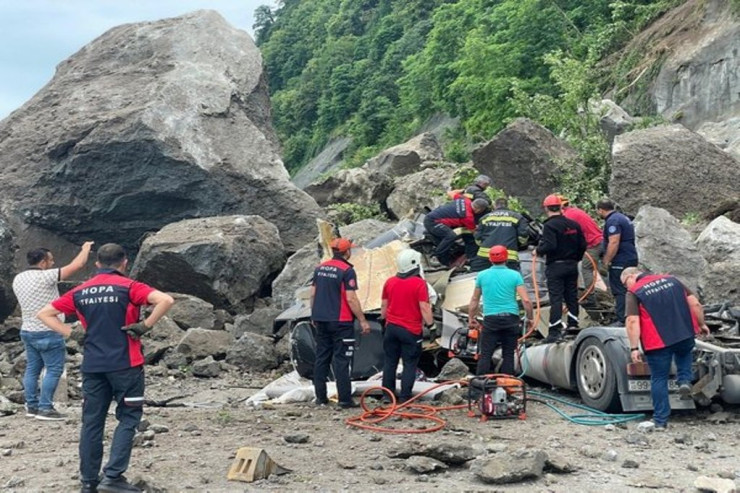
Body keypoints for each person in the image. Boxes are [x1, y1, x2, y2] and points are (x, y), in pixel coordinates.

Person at [38, 243, 174, 493]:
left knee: (92, 422)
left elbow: (45, 313)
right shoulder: (130, 286)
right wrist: (145, 325)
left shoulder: (80, 291)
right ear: (124, 263)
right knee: (128, 417)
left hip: (93, 365)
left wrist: (72, 333)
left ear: (97, 264)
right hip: (126, 364)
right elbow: (165, 300)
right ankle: (112, 477)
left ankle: (88, 481)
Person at [12, 241, 94, 421]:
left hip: (27, 330)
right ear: (42, 262)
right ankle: (45, 408)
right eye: (50, 261)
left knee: (33, 369)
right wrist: (85, 248)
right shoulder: (46, 276)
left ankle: (31, 406)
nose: (52, 263)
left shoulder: (18, 278)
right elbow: (77, 265)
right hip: (48, 330)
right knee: (54, 369)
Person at [621, 267, 709, 429]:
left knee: (659, 378)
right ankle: (684, 380)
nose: (626, 287)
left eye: (625, 283)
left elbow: (632, 321)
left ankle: (660, 421)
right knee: (684, 353)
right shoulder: (673, 280)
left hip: (657, 342)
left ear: (632, 276)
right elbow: (695, 303)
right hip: (684, 333)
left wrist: (634, 348)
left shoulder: (634, 292)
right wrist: (701, 324)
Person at [310, 237, 371, 409]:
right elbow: (351, 298)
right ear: (347, 252)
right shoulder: (347, 271)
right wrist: (362, 320)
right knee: (342, 360)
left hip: (321, 320)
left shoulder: (320, 268)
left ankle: (320, 397)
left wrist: (314, 314)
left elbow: (313, 294)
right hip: (341, 322)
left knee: (321, 358)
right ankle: (345, 399)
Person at [468, 245, 534, 375]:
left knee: (485, 354)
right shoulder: (515, 275)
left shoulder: (482, 275)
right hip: (511, 318)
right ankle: (506, 386)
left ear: (490, 259)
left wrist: (471, 318)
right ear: (507, 258)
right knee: (508, 354)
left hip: (491, 319)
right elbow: (526, 300)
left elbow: (474, 300)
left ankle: (480, 387)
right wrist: (530, 318)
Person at [380, 249, 434, 403]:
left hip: (391, 328)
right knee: (409, 364)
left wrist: (383, 321)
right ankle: (404, 397)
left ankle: (387, 395)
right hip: (410, 330)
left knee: (390, 362)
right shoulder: (419, 284)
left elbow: (384, 305)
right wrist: (431, 326)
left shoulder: (390, 282)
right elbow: (424, 307)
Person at [536, 194, 587, 343]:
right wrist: (575, 259)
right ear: (560, 207)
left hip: (556, 266)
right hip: (571, 265)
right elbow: (583, 245)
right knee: (571, 296)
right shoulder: (573, 224)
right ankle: (573, 325)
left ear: (546, 208)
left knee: (556, 298)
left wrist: (538, 251)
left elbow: (550, 245)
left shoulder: (549, 226)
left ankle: (554, 331)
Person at [596, 198, 638, 325]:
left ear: (600, 210)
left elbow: (614, 241)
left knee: (620, 289)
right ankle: (632, 315)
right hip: (630, 256)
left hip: (620, 259)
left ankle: (622, 319)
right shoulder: (622, 217)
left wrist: (606, 260)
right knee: (631, 287)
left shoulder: (613, 221)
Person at [560, 195, 604, 307]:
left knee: (586, 268)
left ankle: (590, 299)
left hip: (593, 244)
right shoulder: (574, 211)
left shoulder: (568, 215)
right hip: (597, 241)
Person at [424, 195, 489, 266]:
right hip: (432, 222)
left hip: (432, 217)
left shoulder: (465, 200)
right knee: (451, 235)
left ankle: (450, 252)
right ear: (479, 210)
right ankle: (436, 256)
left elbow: (453, 194)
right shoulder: (468, 216)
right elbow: (474, 232)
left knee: (455, 233)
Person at [471, 197, 529, 272]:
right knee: (508, 280)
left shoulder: (485, 218)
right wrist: (518, 244)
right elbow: (523, 236)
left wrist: (483, 245)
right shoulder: (517, 217)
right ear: (507, 206)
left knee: (478, 278)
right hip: (508, 256)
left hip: (485, 255)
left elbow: (477, 237)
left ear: (495, 206)